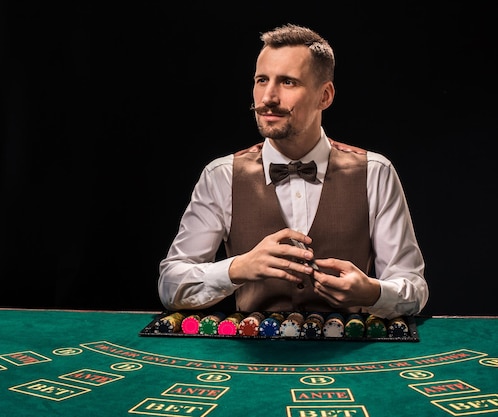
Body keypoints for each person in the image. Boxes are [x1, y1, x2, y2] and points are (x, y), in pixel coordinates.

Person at [157, 23, 428, 320]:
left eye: (287, 82)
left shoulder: (376, 172)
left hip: (351, 361)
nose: (268, 97)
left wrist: (373, 293)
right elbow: (171, 286)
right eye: (261, 80)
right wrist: (237, 268)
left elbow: (414, 289)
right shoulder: (220, 175)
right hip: (254, 360)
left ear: (324, 96)